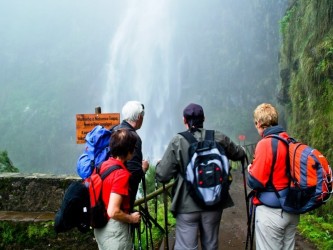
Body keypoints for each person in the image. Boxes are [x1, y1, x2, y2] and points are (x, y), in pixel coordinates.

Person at [155, 103, 246, 250]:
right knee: (211, 245)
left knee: (186, 247)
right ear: (204, 118)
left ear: (184, 120)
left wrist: (161, 165)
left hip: (186, 205)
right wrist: (242, 150)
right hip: (214, 201)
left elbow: (162, 175)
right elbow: (238, 153)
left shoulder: (177, 141)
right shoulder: (218, 137)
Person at [247, 103, 300, 250]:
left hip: (272, 213)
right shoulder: (289, 140)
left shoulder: (265, 143)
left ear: (258, 123)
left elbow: (256, 182)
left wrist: (250, 170)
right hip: (291, 210)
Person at [94, 129, 141, 250]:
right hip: (115, 232)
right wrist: (132, 219)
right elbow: (113, 211)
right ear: (128, 150)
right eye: (133, 147)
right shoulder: (121, 175)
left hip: (100, 228)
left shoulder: (102, 166)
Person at [113, 101, 149, 212]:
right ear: (139, 117)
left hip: (110, 191)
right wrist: (143, 169)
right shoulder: (133, 138)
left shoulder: (115, 130)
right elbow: (133, 173)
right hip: (123, 197)